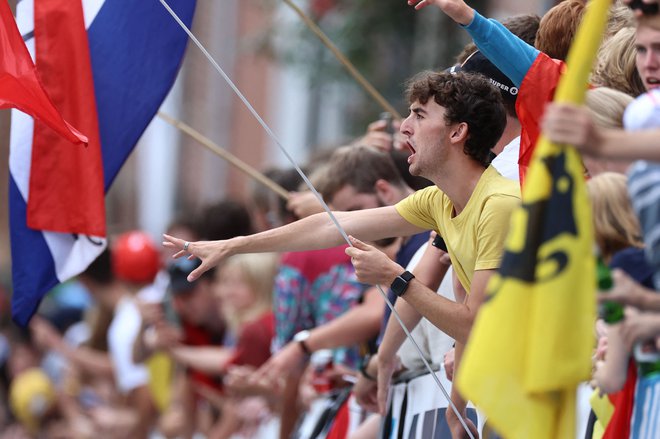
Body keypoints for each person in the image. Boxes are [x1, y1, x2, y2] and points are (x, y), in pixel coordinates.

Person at [164, 70, 520, 437]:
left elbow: (472, 323)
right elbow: (329, 225)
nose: (404, 128)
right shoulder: (438, 200)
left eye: (419, 114)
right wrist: (233, 246)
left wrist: (394, 277)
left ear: (457, 132)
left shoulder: (498, 205)